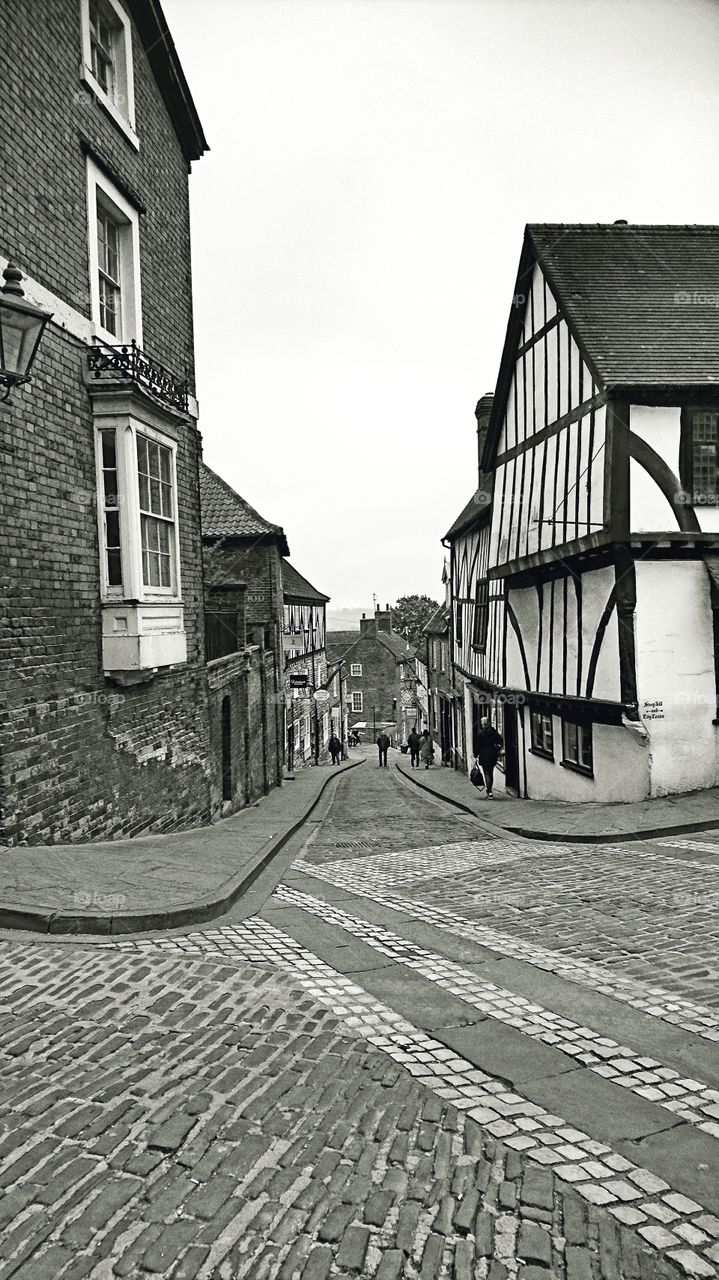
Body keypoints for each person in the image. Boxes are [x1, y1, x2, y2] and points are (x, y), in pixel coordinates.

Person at [475, 715, 503, 798]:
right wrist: (497, 746)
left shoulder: (480, 733)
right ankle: (490, 790)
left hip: (484, 755)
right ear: (489, 723)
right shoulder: (493, 731)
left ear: (482, 724)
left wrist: (476, 754)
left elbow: (477, 745)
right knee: (490, 773)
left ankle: (489, 791)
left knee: (486, 773)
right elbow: (500, 740)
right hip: (492, 755)